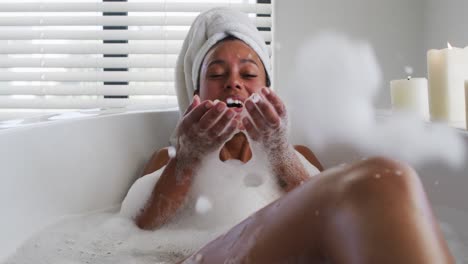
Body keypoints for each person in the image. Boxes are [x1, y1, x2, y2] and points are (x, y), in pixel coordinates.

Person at [132, 7, 454, 263]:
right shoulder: (168, 162)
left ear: (267, 90)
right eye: (216, 74)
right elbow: (139, 232)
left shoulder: (298, 156)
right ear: (195, 92)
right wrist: (188, 157)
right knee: (378, 181)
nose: (233, 82)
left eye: (248, 73)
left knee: (387, 179)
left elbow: (331, 220)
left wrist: (278, 150)